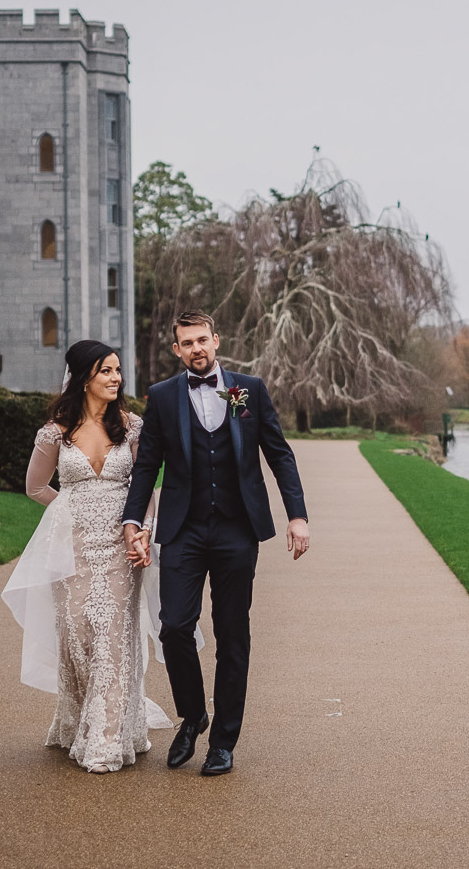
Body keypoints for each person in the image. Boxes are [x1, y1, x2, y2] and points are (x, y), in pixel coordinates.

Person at [122, 308, 310, 777]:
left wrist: (298, 516)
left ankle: (224, 741)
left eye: (202, 340)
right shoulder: (163, 397)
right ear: (176, 349)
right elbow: (147, 467)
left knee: (232, 635)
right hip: (183, 529)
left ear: (217, 340)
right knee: (173, 628)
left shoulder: (245, 390)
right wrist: (132, 519)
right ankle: (193, 715)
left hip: (236, 530)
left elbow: (278, 454)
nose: (196, 349)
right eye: (187, 343)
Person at [2, 339, 173, 773]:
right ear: (84, 378)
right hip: (71, 546)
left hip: (122, 544)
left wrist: (144, 532)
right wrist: (69, 512)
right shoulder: (54, 432)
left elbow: (145, 485)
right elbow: (35, 487)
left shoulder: (132, 427)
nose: (116, 378)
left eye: (118, 370)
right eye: (106, 371)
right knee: (77, 637)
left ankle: (107, 739)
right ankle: (78, 719)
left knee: (113, 636)